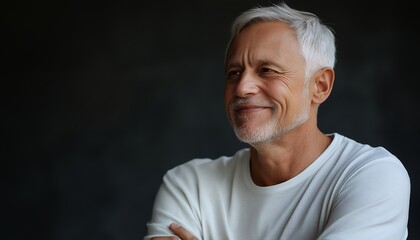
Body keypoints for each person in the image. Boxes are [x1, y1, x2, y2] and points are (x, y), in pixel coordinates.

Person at [144, 2, 411, 240]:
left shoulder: (371, 175)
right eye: (233, 73)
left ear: (320, 85)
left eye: (267, 70)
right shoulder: (190, 185)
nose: (242, 88)